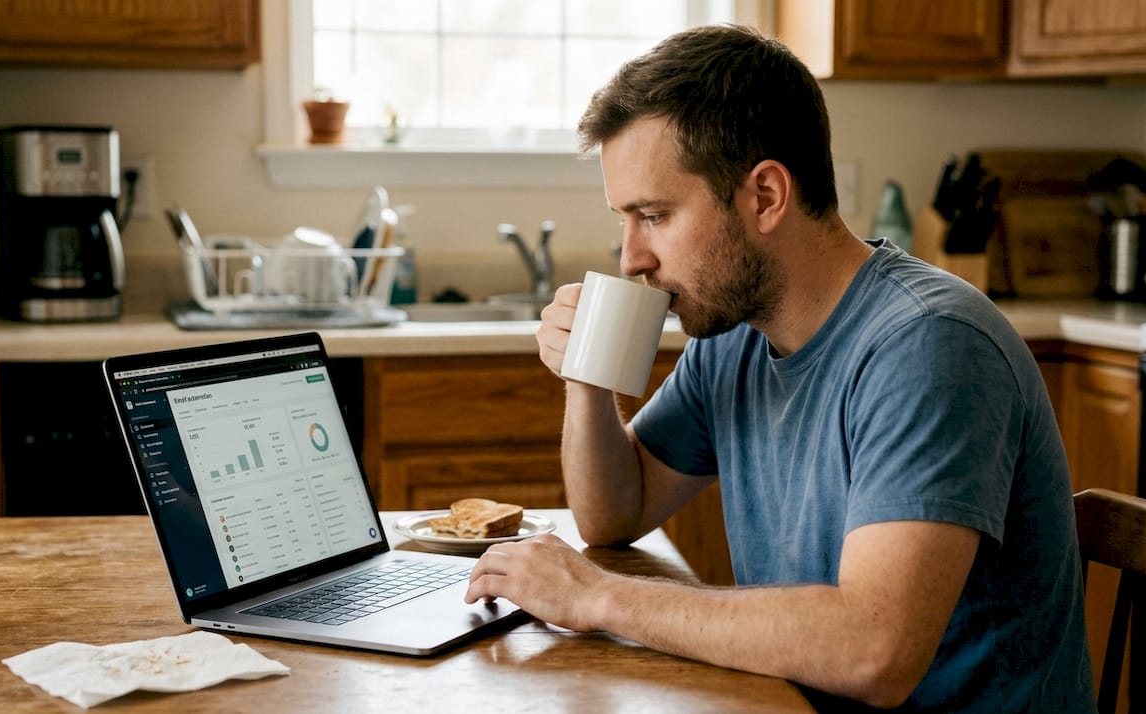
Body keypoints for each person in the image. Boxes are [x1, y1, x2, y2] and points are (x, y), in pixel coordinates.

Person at [463, 24, 1094, 712]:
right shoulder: (734, 334)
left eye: (655, 215)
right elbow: (614, 511)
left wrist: (597, 596)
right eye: (625, 220)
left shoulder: (930, 344)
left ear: (765, 196)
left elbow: (874, 651)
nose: (631, 259)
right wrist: (586, 377)